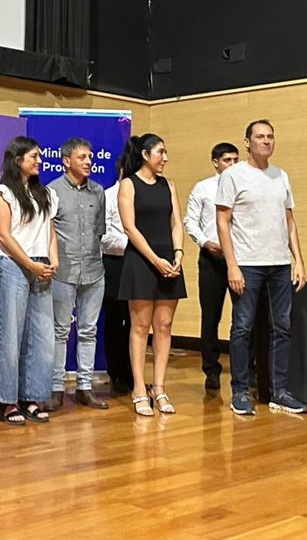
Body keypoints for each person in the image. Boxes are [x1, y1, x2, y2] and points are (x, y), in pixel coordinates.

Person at [216, 119, 307, 417]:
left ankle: (280, 391)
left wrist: (298, 260)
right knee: (242, 328)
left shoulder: (281, 175)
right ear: (247, 142)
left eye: (270, 137)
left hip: (280, 264)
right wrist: (232, 265)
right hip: (247, 264)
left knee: (283, 327)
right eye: (260, 137)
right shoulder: (233, 175)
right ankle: (240, 391)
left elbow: (289, 221)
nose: (266, 141)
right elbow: (223, 221)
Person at [0, 136, 58, 426]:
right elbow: (4, 236)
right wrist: (30, 264)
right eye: (33, 156)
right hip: (13, 266)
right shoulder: (2, 194)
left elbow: (50, 231)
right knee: (11, 337)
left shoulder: (46, 194)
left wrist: (53, 261)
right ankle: (7, 401)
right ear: (18, 160)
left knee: (42, 337)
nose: (39, 161)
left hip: (41, 266)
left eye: (39, 156)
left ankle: (32, 398)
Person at [117, 133, 187, 417]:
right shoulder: (129, 184)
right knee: (140, 326)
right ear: (145, 155)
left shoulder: (168, 185)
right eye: (160, 152)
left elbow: (176, 223)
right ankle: (138, 389)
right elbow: (130, 228)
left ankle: (159, 388)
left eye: (166, 153)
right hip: (142, 260)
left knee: (164, 325)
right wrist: (155, 260)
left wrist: (178, 253)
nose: (165, 158)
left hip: (170, 261)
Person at [45, 137, 109, 411]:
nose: (88, 161)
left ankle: (85, 387)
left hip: (94, 271)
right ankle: (56, 389)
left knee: (88, 331)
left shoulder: (98, 191)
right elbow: (47, 232)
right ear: (66, 161)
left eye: (90, 157)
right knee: (60, 331)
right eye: (82, 157)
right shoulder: (52, 191)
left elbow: (100, 231)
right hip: (63, 272)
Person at [184, 142, 240, 391]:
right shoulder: (203, 187)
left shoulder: (244, 186)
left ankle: (244, 369)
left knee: (243, 316)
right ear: (215, 163)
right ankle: (211, 370)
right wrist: (205, 242)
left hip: (240, 258)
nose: (232, 165)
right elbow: (190, 221)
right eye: (227, 160)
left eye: (236, 160)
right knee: (210, 316)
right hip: (211, 258)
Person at [101, 154, 133, 395]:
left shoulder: (140, 195)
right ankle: (116, 373)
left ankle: (134, 375)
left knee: (137, 321)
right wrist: (134, 244)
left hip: (140, 264)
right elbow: (103, 236)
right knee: (115, 320)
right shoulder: (107, 196)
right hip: (114, 263)